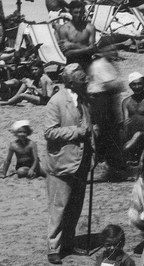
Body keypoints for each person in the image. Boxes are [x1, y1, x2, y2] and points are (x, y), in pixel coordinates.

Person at [44, 64, 92, 264]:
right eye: (83, 79)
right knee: (59, 207)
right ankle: (53, 248)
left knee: (75, 206)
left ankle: (69, 243)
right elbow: (49, 132)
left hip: (81, 163)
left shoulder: (84, 100)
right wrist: (77, 132)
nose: (87, 81)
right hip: (62, 164)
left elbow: (89, 129)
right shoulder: (55, 102)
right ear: (71, 82)